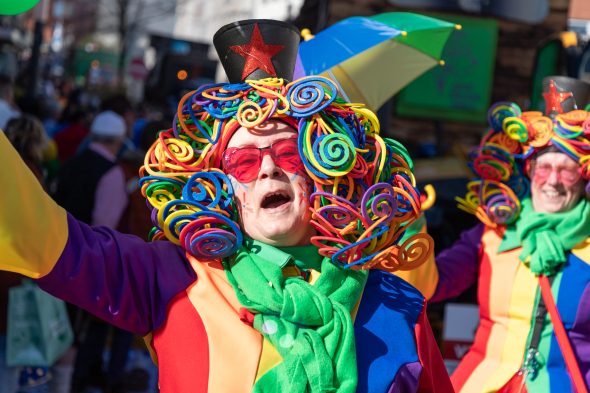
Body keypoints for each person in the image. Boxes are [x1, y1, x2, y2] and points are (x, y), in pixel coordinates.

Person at [0, 19, 452, 392]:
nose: (268, 170)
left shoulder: (395, 305)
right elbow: (40, 234)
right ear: (222, 185)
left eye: (289, 153)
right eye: (244, 160)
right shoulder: (170, 278)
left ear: (320, 171)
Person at [402, 79, 590, 392]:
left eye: (566, 169)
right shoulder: (492, 233)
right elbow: (429, 286)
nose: (553, 182)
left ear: (583, 176)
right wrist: (410, 227)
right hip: (482, 383)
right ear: (529, 170)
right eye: (543, 168)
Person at [52, 110, 134, 392]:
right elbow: (103, 227)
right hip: (84, 259)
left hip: (56, 251)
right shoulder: (111, 173)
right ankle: (69, 383)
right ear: (118, 140)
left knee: (58, 323)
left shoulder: (73, 163)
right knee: (77, 330)